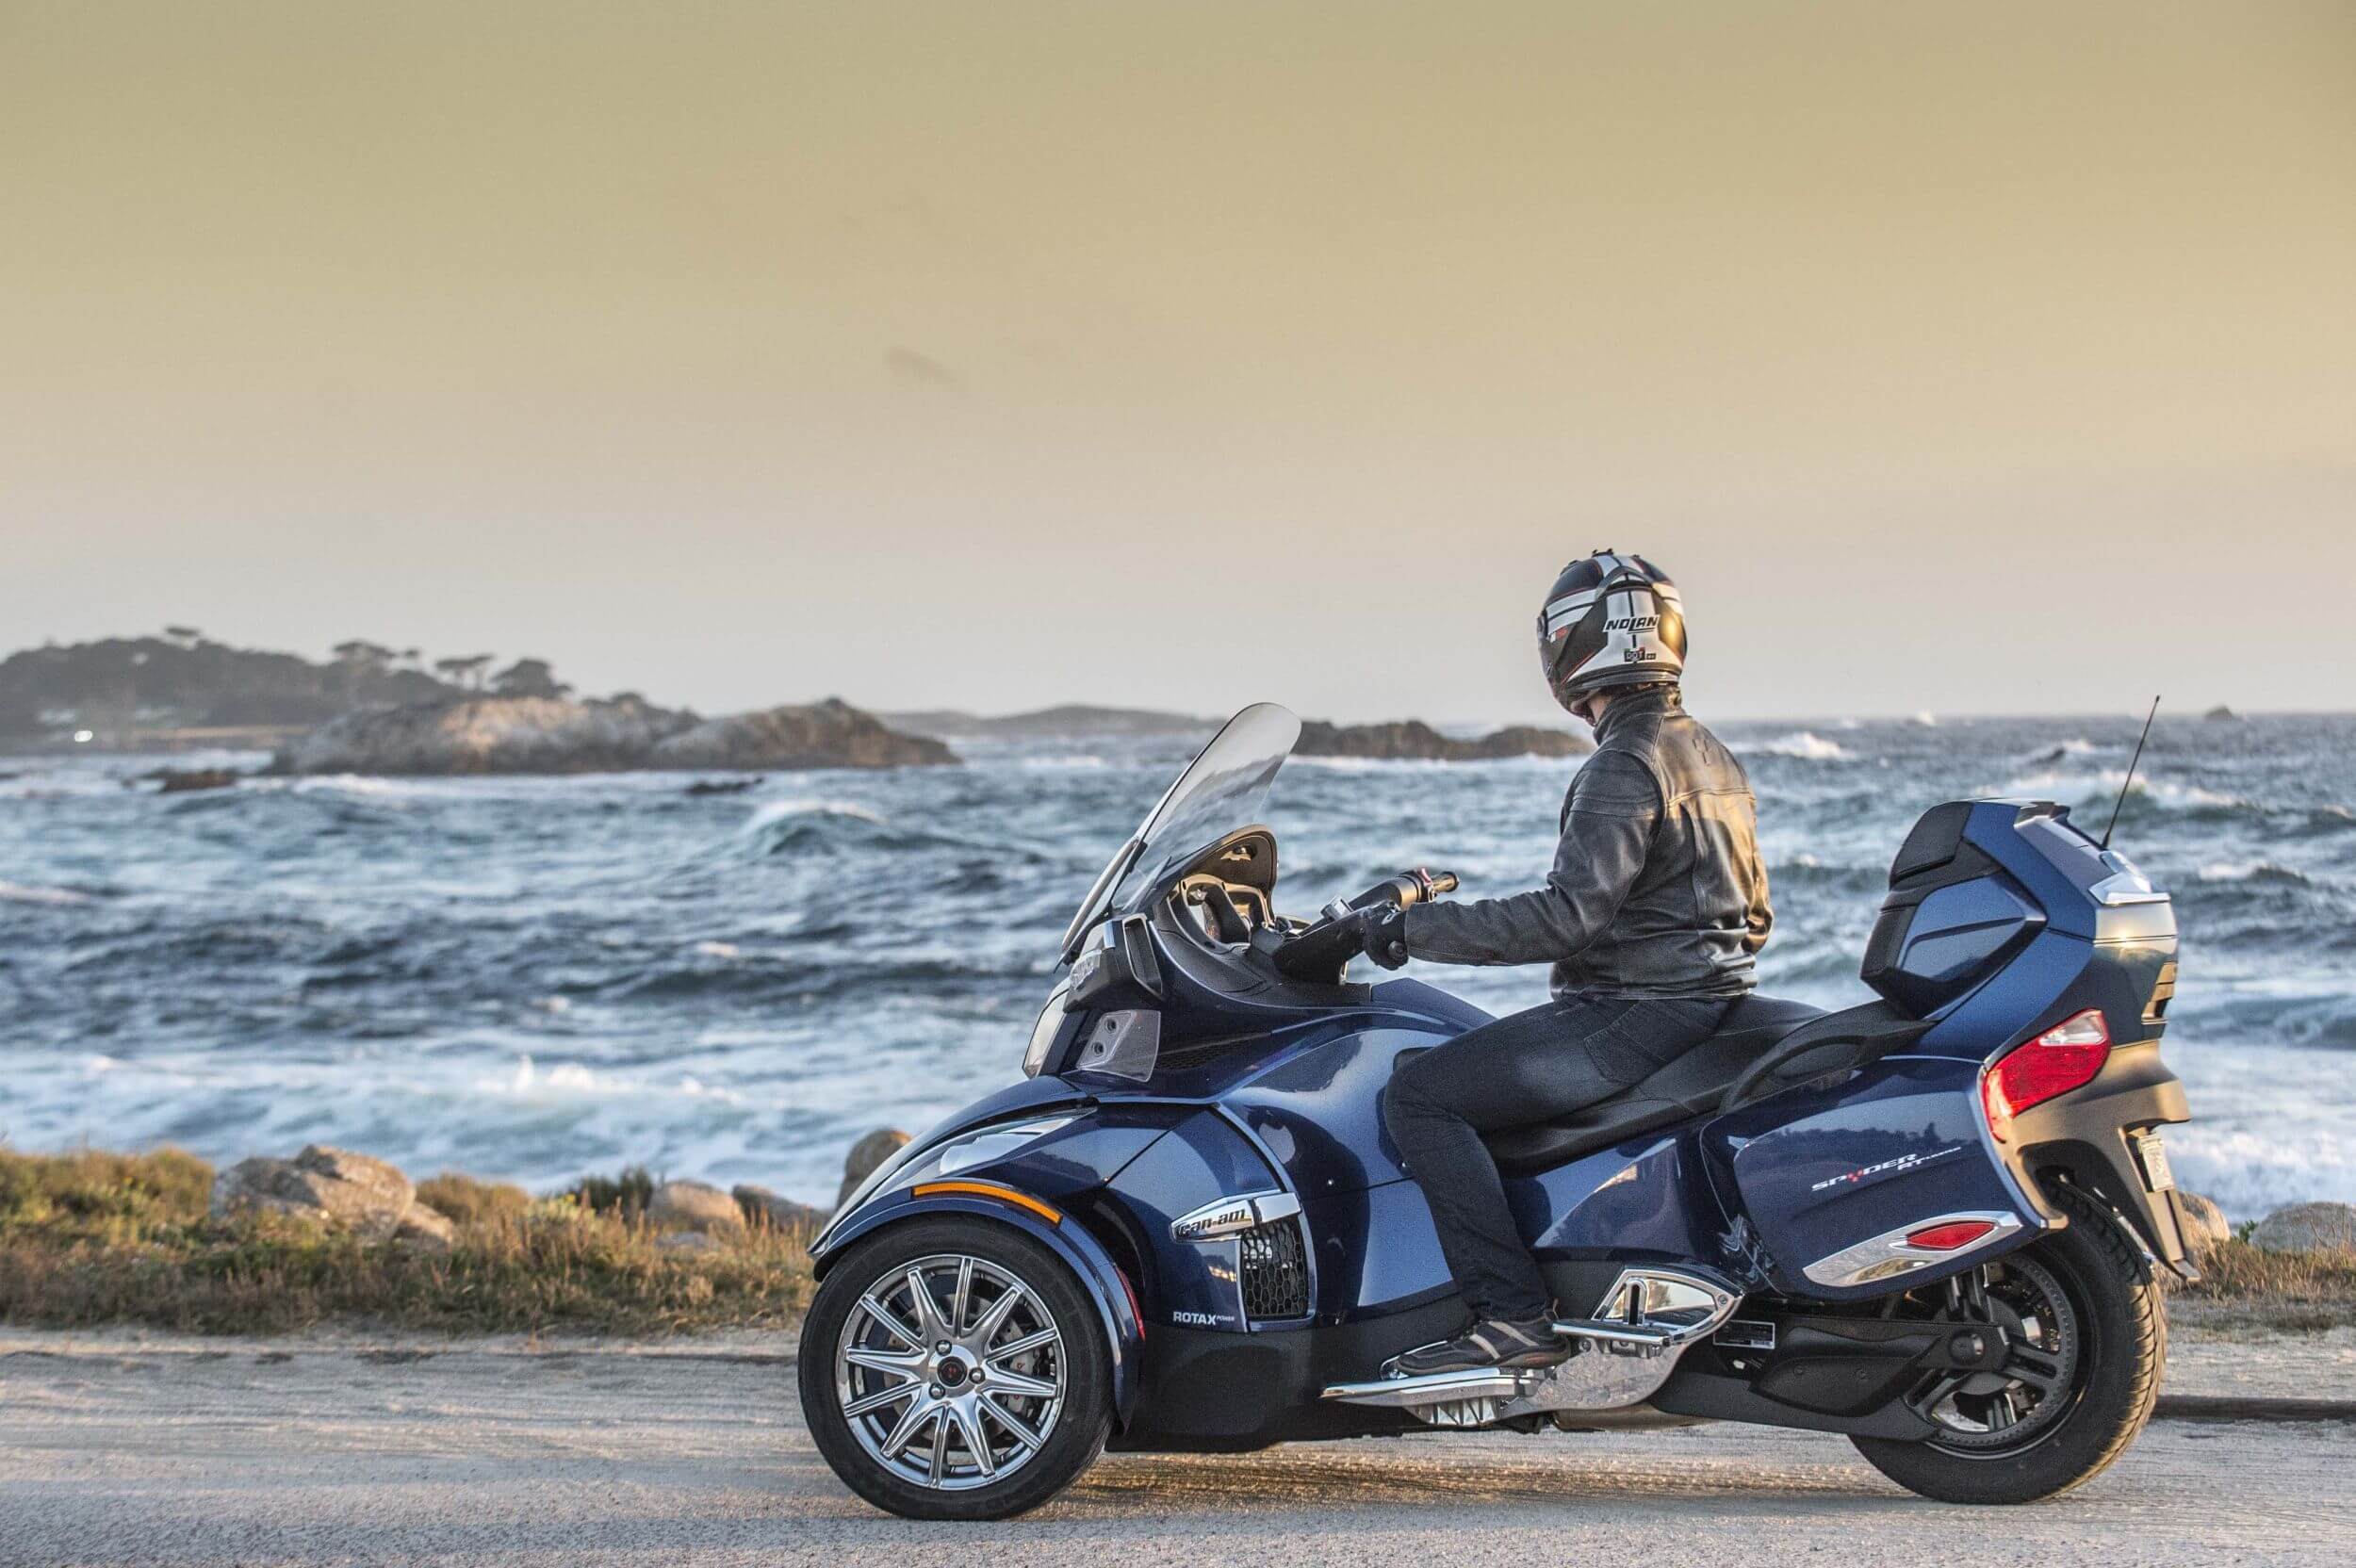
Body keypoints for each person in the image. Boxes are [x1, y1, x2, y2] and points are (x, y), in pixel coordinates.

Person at [1357, 550, 1773, 1375]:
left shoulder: (1625, 762)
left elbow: (1566, 917)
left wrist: (1414, 931)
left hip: (1636, 1012)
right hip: (1710, 1002)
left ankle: (1511, 1316)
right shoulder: (1709, 752)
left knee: (1420, 1096)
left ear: (1573, 646)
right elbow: (1749, 911)